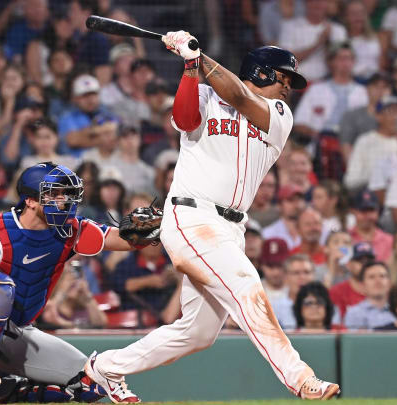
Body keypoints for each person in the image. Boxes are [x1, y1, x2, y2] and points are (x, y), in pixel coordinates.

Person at [82, 37, 339, 401]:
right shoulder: (204, 94)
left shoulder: (280, 114)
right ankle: (299, 376)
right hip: (191, 214)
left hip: (231, 227)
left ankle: (104, 368)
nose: (287, 86)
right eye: (283, 78)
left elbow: (240, 98)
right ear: (261, 71)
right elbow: (184, 119)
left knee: (198, 332)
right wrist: (190, 68)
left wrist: (200, 58)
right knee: (246, 284)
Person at [0, 162, 149, 404]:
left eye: (65, 193)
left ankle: (9, 389)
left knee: (89, 383)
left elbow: (122, 240)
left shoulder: (69, 229)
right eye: (53, 194)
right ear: (30, 201)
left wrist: (152, 228)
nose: (63, 200)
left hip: (17, 330)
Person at [343, 95, 397, 192]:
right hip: (370, 194)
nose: (396, 117)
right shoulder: (365, 141)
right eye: (391, 112)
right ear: (378, 116)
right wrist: (376, 179)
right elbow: (351, 180)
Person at [343, 261, 396, 330]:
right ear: (362, 285)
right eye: (371, 277)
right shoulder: (354, 314)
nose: (378, 281)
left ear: (390, 283)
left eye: (382, 276)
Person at [271, 254, 317, 330]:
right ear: (285, 277)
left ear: (314, 275)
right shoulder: (273, 308)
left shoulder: (324, 306)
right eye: (296, 273)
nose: (302, 277)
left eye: (307, 272)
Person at [329, 242, 373, 320]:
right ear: (349, 264)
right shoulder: (337, 291)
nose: (365, 265)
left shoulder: (383, 289)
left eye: (369, 261)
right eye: (360, 261)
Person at [348, 190, 393, 262]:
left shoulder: (389, 241)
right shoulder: (345, 238)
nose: (367, 216)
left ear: (378, 211)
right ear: (353, 211)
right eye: (363, 210)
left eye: (371, 210)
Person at [262, 185, 307, 250]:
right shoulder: (268, 233)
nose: (296, 204)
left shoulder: (311, 229)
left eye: (299, 200)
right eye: (290, 200)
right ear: (279, 205)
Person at [260, 238, 290, 303]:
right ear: (262, 265)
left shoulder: (296, 288)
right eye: (270, 266)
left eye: (280, 265)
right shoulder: (254, 290)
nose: (275, 273)